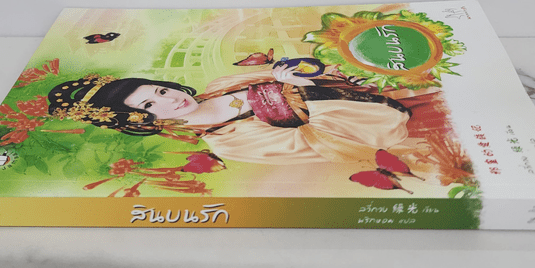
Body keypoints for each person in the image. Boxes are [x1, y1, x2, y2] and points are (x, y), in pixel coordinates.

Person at [47, 64, 442, 166]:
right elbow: (315, 144)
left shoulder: (223, 83)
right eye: (149, 106)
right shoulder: (227, 141)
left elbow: (309, 73)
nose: (168, 101)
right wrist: (300, 99)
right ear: (140, 121)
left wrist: (302, 77)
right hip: (392, 126)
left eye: (160, 91)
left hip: (396, 92)